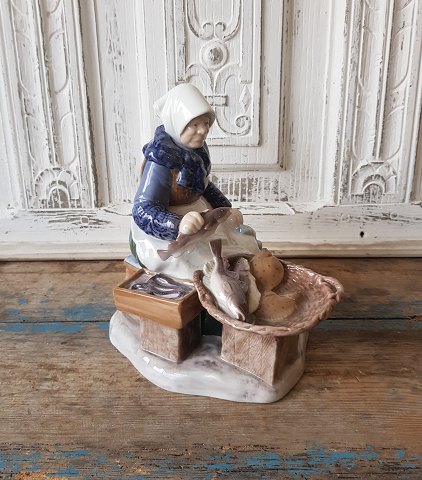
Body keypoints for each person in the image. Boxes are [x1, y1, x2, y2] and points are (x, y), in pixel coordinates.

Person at [130, 83, 259, 279]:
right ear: (177, 122)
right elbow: (143, 209)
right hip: (167, 229)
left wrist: (224, 208)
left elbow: (204, 185)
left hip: (201, 217)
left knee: (242, 240)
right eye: (195, 125)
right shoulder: (161, 160)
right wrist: (177, 224)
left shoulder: (196, 152)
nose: (203, 130)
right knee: (203, 261)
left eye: (206, 123)